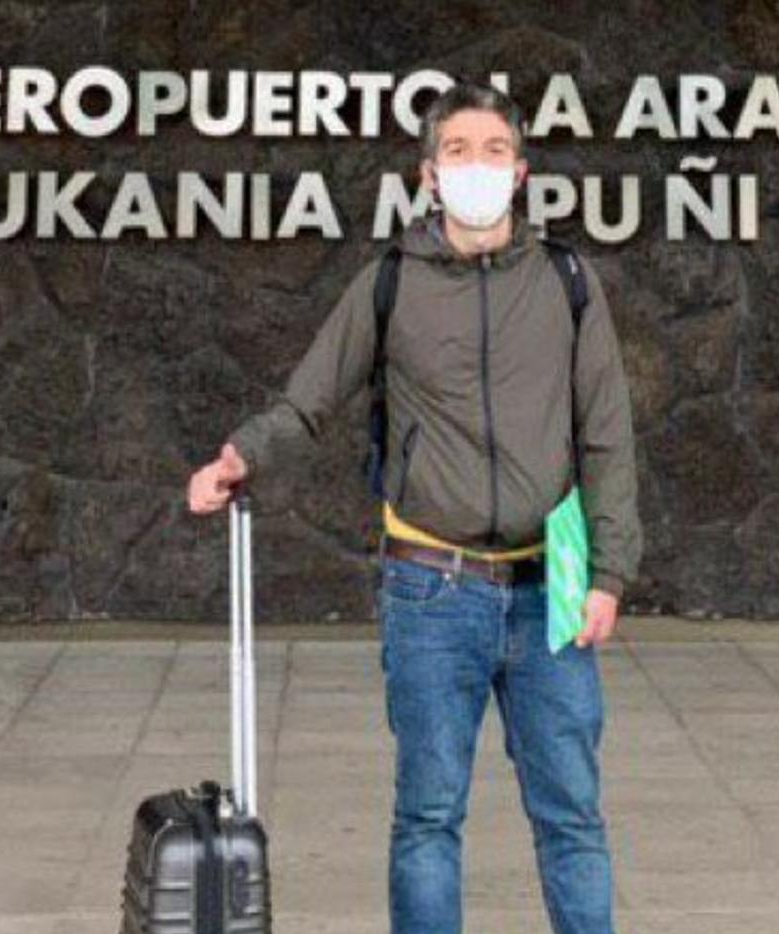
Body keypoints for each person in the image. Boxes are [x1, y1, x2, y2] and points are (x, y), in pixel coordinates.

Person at [187, 80, 642, 934]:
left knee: (573, 817)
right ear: (430, 176)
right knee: (429, 818)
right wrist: (241, 455)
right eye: (459, 153)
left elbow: (608, 435)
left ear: (522, 172)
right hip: (432, 592)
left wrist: (610, 572)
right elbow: (308, 402)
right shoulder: (389, 283)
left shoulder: (568, 281)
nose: (478, 168)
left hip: (553, 592)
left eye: (495, 152)